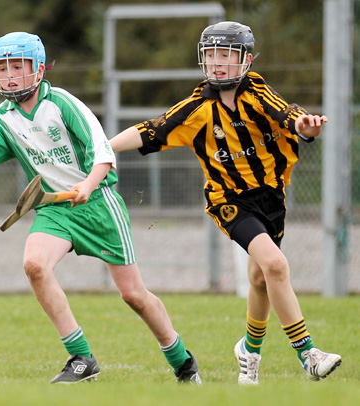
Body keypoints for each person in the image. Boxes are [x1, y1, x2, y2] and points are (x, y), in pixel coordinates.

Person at [0, 32, 201, 385]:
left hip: (99, 204)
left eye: (17, 66)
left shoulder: (63, 104)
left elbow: (103, 153)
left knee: (133, 295)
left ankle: (182, 362)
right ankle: (81, 357)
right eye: (2, 67)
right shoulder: (0, 117)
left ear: (38, 68)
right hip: (54, 208)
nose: (9, 74)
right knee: (34, 266)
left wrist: (86, 186)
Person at [109, 21, 342, 385]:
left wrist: (306, 127)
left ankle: (249, 351)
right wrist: (102, 148)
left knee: (261, 279)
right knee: (276, 265)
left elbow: (289, 115)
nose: (217, 63)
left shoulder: (259, 95)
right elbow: (150, 129)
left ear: (245, 60)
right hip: (229, 201)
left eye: (226, 55)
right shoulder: (197, 108)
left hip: (271, 197)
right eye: (211, 55)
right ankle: (308, 354)